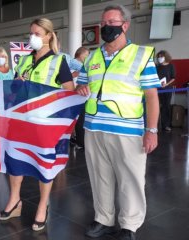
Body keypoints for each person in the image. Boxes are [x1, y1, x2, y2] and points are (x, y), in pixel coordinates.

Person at [76, 5, 160, 240]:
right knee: (99, 176)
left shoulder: (141, 55)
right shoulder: (92, 57)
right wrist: (81, 87)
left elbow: (151, 96)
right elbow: (81, 86)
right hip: (94, 128)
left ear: (125, 25)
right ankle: (104, 219)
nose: (106, 27)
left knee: (130, 179)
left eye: (112, 22)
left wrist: (151, 130)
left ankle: (129, 225)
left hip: (128, 130)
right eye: (103, 23)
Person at [0, 17, 74, 232]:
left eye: (37, 34)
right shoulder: (23, 61)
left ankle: (43, 206)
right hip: (20, 121)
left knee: (43, 164)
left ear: (49, 36)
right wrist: (17, 86)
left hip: (44, 124)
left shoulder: (59, 61)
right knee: (15, 160)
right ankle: (14, 202)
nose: (33, 38)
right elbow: (12, 91)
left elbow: (68, 91)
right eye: (31, 34)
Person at [71, 46, 90, 149]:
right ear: (81, 54)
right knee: (79, 122)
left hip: (78, 97)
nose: (87, 57)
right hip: (76, 97)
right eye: (86, 55)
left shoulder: (81, 66)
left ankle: (78, 141)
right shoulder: (74, 65)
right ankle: (80, 143)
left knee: (78, 122)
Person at [156, 50, 176, 131]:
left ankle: (166, 125)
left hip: (167, 89)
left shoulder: (171, 66)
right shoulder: (157, 66)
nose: (160, 58)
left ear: (166, 57)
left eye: (161, 56)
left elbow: (173, 77)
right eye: (159, 57)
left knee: (166, 106)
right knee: (157, 106)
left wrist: (167, 84)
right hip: (158, 89)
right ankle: (155, 125)